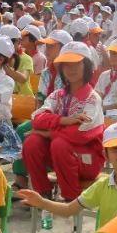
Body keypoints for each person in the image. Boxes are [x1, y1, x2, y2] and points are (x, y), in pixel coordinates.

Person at [22, 41, 106, 204]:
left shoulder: (92, 98)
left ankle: (71, 199)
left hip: (88, 159)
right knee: (32, 142)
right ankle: (43, 193)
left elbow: (79, 134)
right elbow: (37, 119)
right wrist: (63, 120)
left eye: (76, 64)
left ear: (87, 66)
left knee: (59, 143)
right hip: (60, 157)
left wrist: (47, 132)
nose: (71, 69)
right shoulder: (57, 95)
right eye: (66, 65)